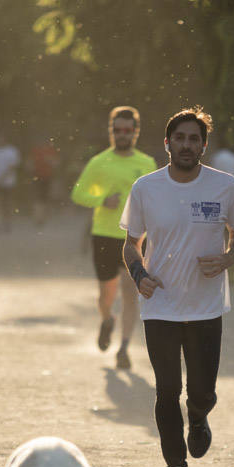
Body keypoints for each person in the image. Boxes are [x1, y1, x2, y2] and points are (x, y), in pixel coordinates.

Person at [120, 107, 234, 467]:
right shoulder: (146, 187)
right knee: (166, 390)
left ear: (204, 145)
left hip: (207, 306)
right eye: (180, 138)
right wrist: (139, 276)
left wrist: (227, 258)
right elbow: (131, 245)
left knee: (202, 391)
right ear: (167, 144)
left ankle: (199, 416)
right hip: (160, 305)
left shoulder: (224, 186)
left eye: (195, 139)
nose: (187, 145)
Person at [71, 106, 157, 370]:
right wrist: (101, 200)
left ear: (136, 132)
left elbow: (154, 201)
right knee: (106, 294)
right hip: (104, 236)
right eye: (117, 130)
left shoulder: (146, 164)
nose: (122, 135)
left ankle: (124, 347)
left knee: (130, 293)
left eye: (127, 130)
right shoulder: (99, 162)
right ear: (111, 131)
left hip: (134, 239)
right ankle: (107, 319)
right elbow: (78, 194)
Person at [0, 134, 21, 231]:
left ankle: (7, 223)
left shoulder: (12, 151)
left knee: (7, 203)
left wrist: (1, 179)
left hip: (8, 182)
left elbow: (12, 167)